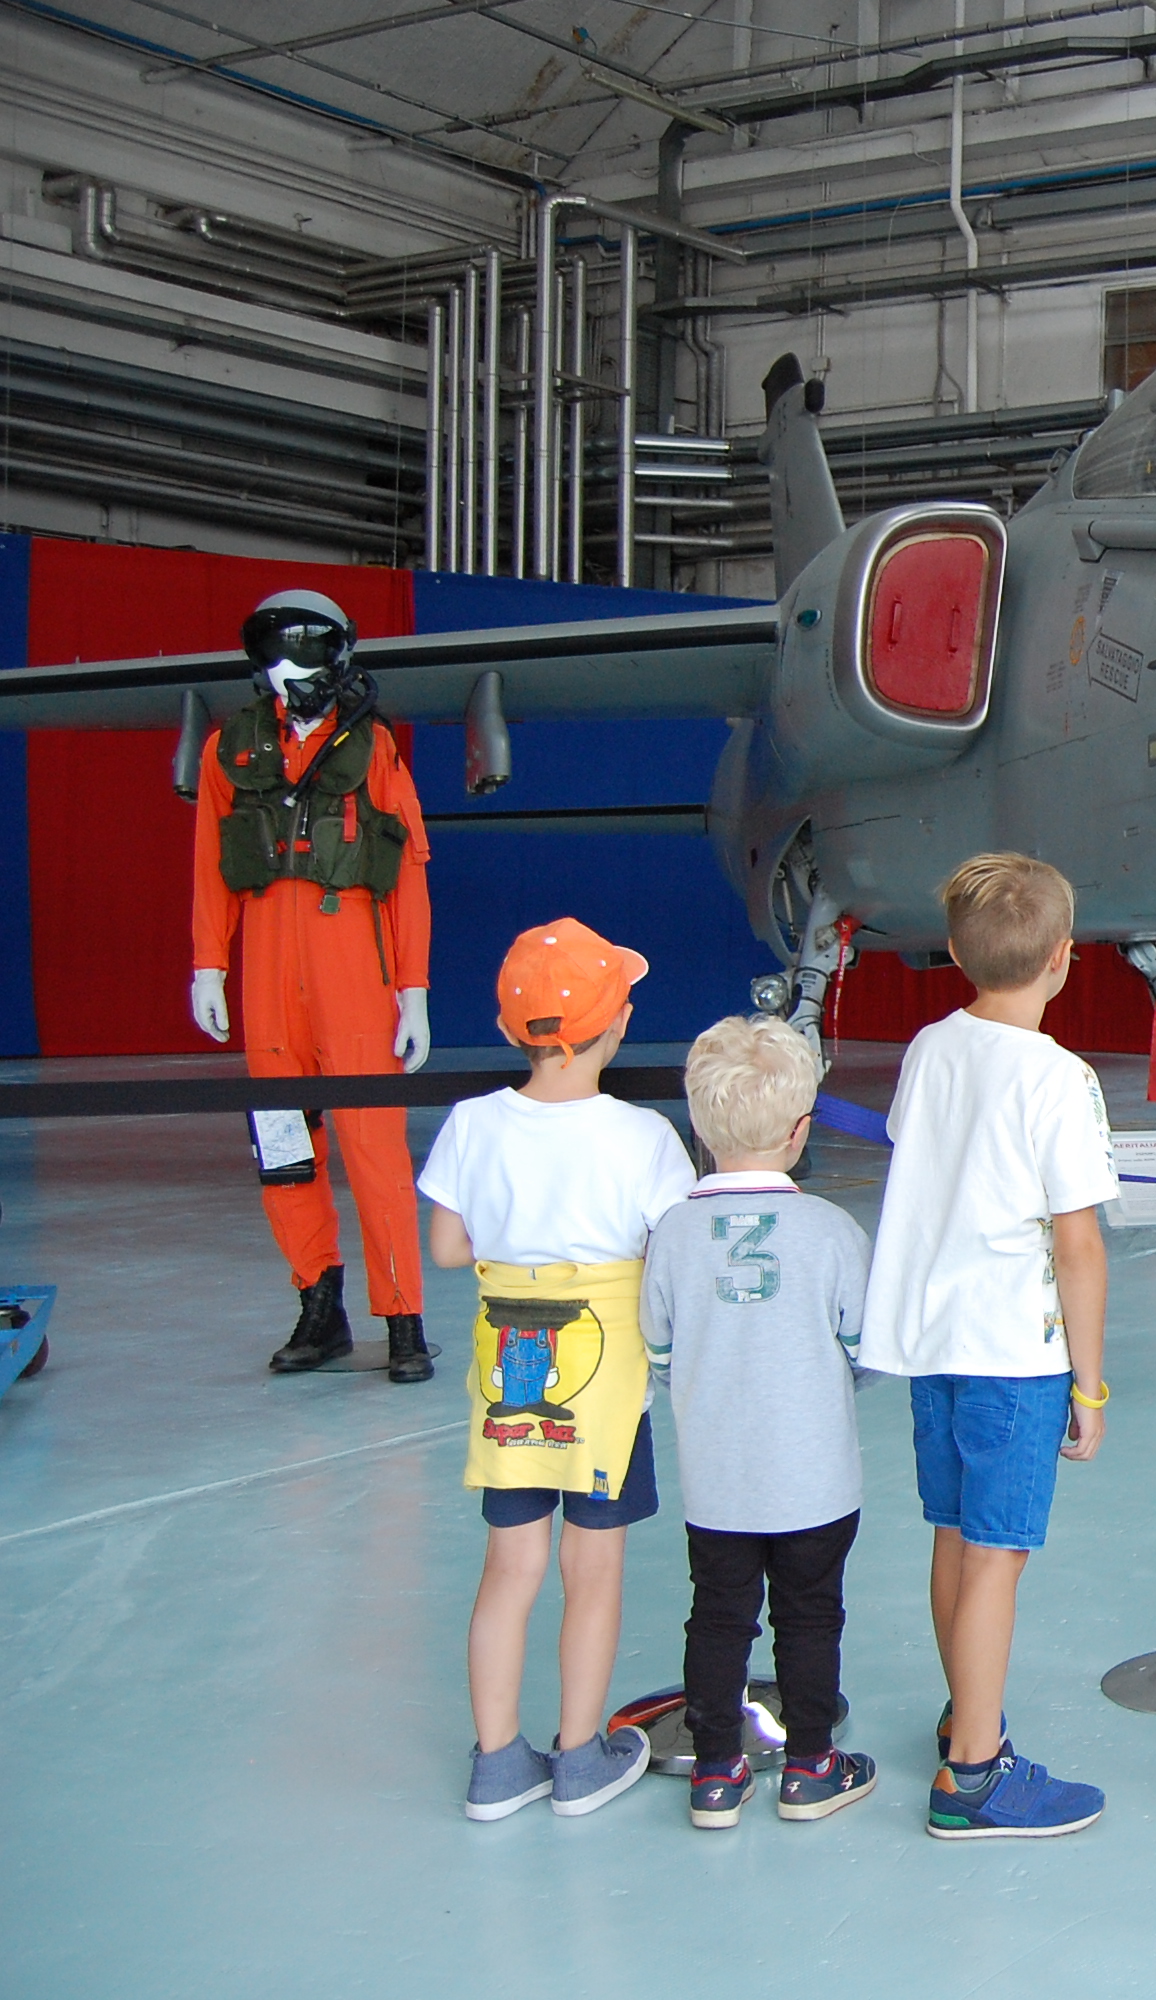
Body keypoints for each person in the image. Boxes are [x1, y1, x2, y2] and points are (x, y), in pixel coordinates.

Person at [861, 853, 1116, 1840]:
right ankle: (973, 1769)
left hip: (933, 1341)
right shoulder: (1058, 1077)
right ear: (1062, 958)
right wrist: (1087, 1386)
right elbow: (1078, 1242)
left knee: (954, 1535)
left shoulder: (929, 1045)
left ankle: (967, 1710)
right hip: (1016, 1350)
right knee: (999, 1554)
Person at [423, 919, 696, 1823]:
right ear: (617, 1025)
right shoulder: (643, 1136)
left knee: (512, 1565)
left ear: (511, 1030)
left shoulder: (470, 1125)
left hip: (509, 1362)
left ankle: (498, 1762)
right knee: (595, 1566)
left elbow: (449, 1248)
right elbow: (673, 1251)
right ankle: (580, 1756)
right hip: (608, 1372)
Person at [192, 589, 438, 1382]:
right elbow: (208, 866)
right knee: (285, 1152)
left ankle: (402, 1317)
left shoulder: (375, 750)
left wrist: (414, 988)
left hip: (353, 979)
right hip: (267, 979)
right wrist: (209, 963)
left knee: (375, 1151)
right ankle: (319, 1306)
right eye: (272, 655)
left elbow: (406, 875)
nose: (283, 671)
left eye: (298, 653)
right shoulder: (231, 748)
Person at [645, 1014, 877, 1830]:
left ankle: (716, 1772)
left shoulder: (671, 1233)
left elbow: (661, 1349)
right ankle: (812, 1763)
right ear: (800, 1130)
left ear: (699, 1128)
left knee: (718, 1613)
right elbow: (863, 1347)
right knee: (810, 1613)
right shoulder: (832, 1231)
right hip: (815, 1476)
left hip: (717, 1480)